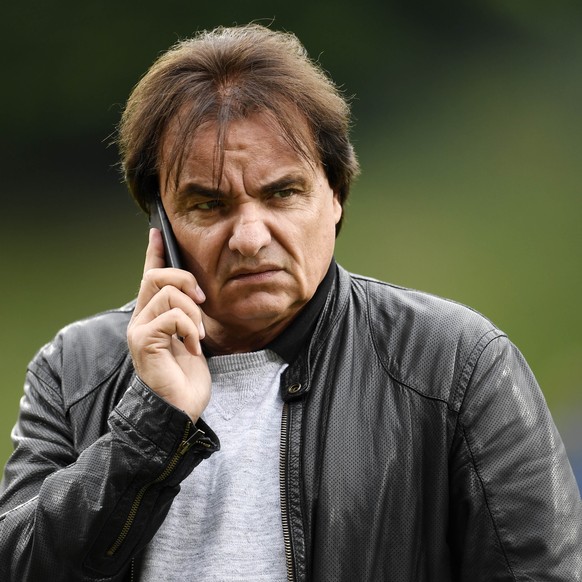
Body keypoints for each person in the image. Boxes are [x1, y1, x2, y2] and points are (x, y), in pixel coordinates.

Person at [0, 23, 580, 582]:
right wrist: (151, 427)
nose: (249, 238)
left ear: (335, 196)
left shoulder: (459, 366)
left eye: (282, 193)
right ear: (161, 224)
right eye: (209, 205)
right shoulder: (74, 370)